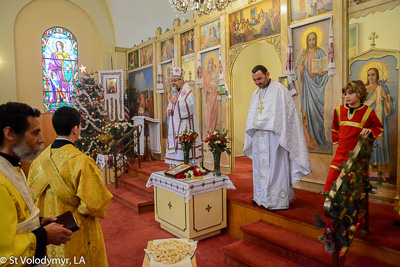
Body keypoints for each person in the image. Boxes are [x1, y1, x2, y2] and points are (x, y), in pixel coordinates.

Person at [28, 106, 113, 266]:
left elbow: (30, 198)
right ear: (75, 129)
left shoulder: (38, 162)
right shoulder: (81, 161)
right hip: (75, 232)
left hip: (48, 232)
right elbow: (95, 204)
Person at [0, 102, 72, 265]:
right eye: (35, 133)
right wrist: (43, 235)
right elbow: (3, 255)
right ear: (10, 134)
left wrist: (39, 223)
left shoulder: (11, 167)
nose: (42, 139)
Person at [243, 65, 311, 210]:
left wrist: (283, 133)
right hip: (258, 137)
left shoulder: (280, 90)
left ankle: (276, 200)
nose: (257, 82)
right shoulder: (255, 94)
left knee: (275, 168)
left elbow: (288, 115)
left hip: (274, 138)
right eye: (254, 80)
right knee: (260, 169)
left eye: (260, 79)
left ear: (268, 74)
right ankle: (260, 197)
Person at [324, 80, 383, 192]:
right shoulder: (338, 110)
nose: (347, 97)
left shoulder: (368, 112)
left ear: (360, 93)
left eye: (350, 93)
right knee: (331, 185)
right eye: (345, 94)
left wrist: (369, 130)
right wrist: (337, 145)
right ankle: (330, 206)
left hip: (357, 157)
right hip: (340, 156)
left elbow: (378, 128)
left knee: (353, 190)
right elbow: (335, 128)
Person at [295, 31, 330, 149]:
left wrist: (322, 72)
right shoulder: (303, 54)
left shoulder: (321, 52)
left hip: (317, 87)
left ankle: (319, 139)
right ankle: (309, 140)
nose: (312, 42)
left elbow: (327, 70)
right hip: (307, 88)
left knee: (318, 115)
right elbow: (298, 73)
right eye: (309, 40)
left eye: (314, 39)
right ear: (306, 41)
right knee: (308, 113)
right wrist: (303, 60)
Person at [364, 68, 396, 180]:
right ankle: (368, 172)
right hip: (367, 122)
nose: (370, 77)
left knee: (381, 146)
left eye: (373, 75)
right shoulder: (364, 89)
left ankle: (382, 174)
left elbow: (392, 106)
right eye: (368, 75)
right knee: (369, 146)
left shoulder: (382, 88)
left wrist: (386, 97)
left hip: (381, 122)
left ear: (377, 76)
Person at [165, 67, 201, 166]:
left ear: (181, 81)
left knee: (183, 150)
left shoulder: (188, 92)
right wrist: (169, 109)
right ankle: (175, 167)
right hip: (175, 126)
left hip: (184, 126)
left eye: (175, 80)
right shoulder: (176, 92)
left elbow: (189, 108)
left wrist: (177, 103)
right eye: (172, 80)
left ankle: (185, 167)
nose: (173, 82)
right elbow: (171, 105)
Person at [48, 41, 73, 106]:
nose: (58, 46)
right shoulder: (54, 54)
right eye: (56, 45)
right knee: (57, 86)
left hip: (65, 73)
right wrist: (50, 72)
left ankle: (65, 99)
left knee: (65, 86)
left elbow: (68, 64)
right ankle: (58, 99)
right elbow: (51, 64)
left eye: (59, 44)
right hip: (56, 72)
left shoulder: (66, 54)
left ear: (62, 45)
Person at [203, 57, 219, 134]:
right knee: (209, 111)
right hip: (209, 95)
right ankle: (209, 127)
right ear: (207, 64)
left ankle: (213, 128)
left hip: (214, 94)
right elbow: (204, 86)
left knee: (214, 111)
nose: (211, 64)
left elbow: (217, 82)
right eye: (209, 63)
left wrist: (214, 86)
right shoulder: (205, 74)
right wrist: (207, 90)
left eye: (212, 63)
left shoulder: (215, 73)